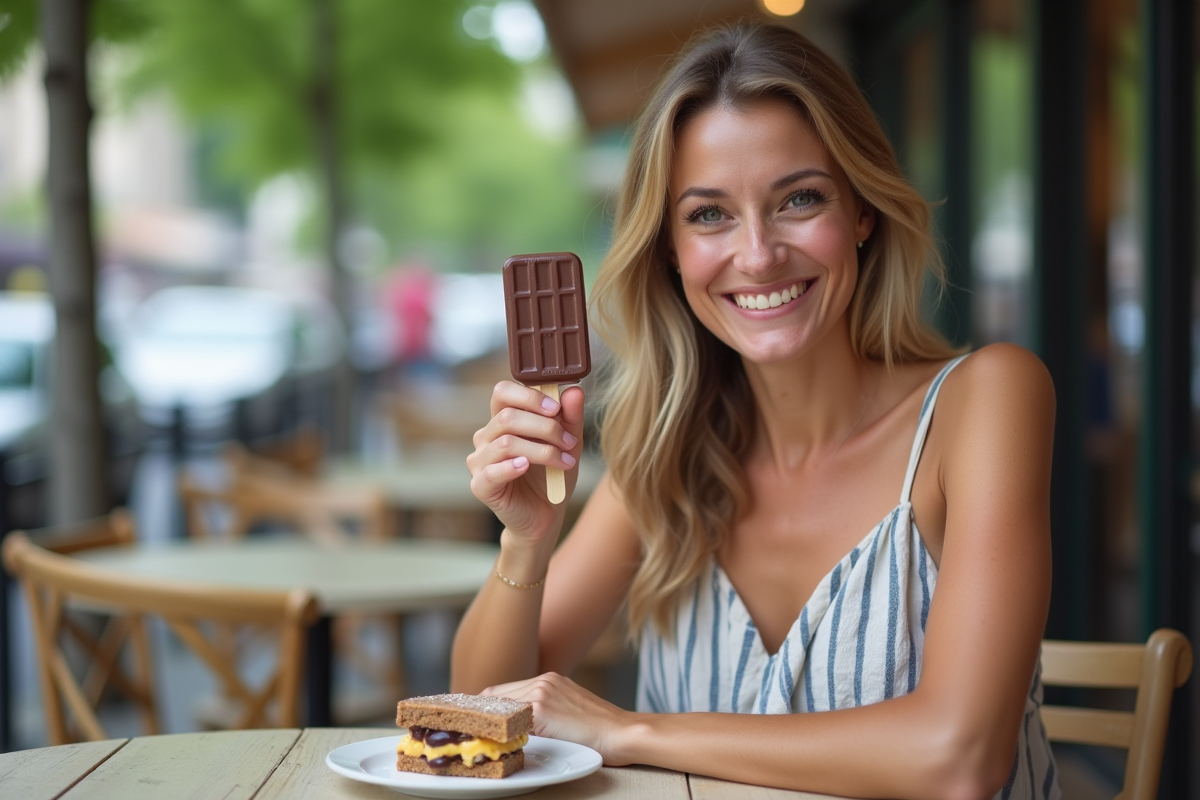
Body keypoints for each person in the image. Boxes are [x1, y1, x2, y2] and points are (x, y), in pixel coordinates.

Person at [453, 21, 1058, 800]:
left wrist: (626, 730)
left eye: (799, 199)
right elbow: (478, 712)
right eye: (709, 214)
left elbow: (960, 758)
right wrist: (526, 543)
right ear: (670, 249)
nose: (760, 253)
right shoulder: (667, 456)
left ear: (863, 213)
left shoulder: (985, 401)